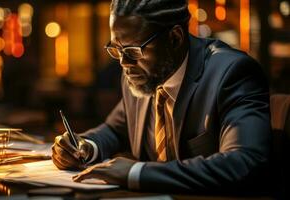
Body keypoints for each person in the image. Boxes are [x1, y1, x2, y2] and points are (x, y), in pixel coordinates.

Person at [51, 0, 272, 194]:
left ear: (175, 38)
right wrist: (86, 146)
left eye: (133, 51)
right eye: (117, 49)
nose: (124, 63)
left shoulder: (231, 72)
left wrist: (136, 172)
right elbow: (115, 129)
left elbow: (244, 162)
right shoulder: (139, 74)